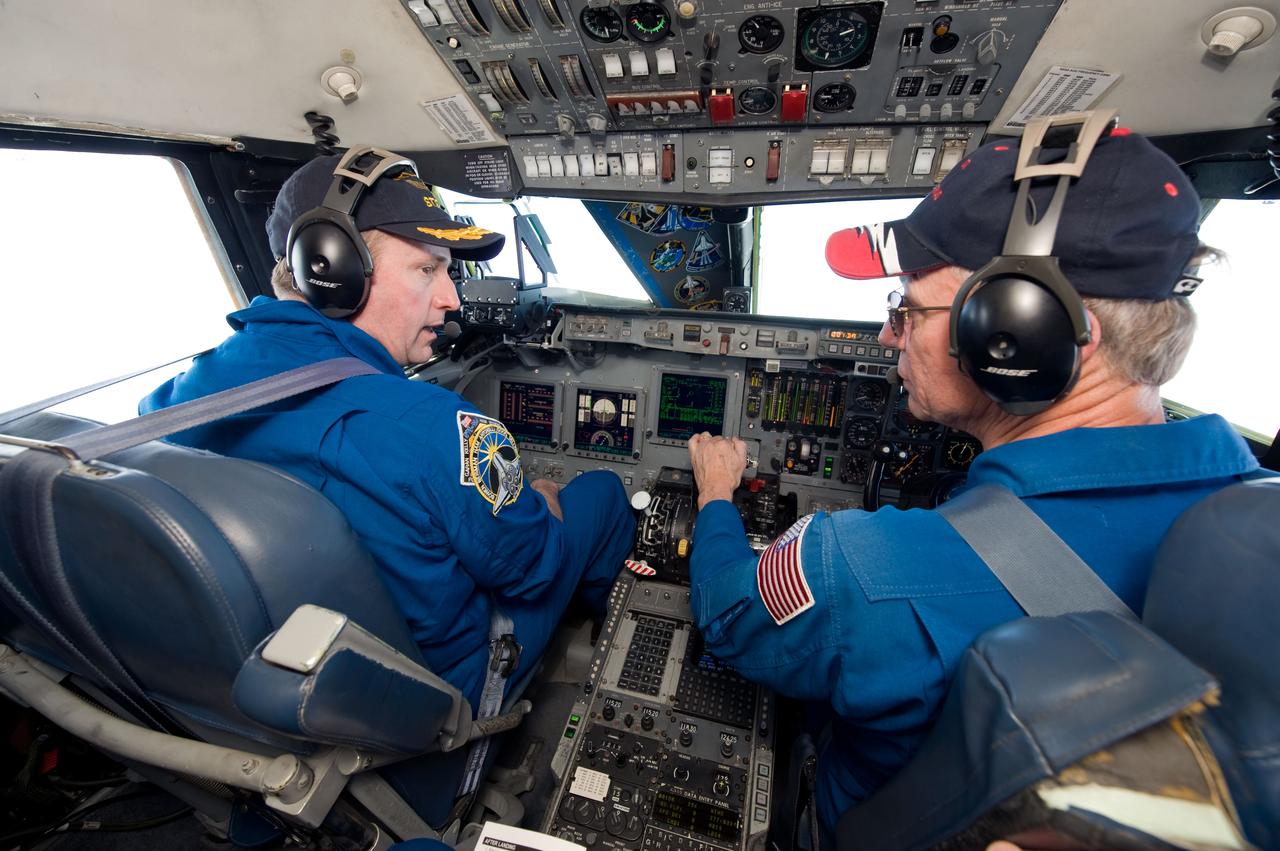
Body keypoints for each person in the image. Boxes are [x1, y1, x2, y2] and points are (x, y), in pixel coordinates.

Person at [685, 124, 1262, 837]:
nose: (888, 335)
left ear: (1020, 333)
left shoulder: (865, 567)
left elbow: (727, 615)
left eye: (907, 307)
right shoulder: (1253, 517)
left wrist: (715, 495)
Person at [141, 150, 634, 711]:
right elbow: (532, 570)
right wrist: (544, 498)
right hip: (444, 689)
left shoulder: (175, 402)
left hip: (255, 678)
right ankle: (606, 636)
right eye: (427, 269)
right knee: (601, 496)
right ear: (332, 270)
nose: (451, 298)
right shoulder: (435, 426)